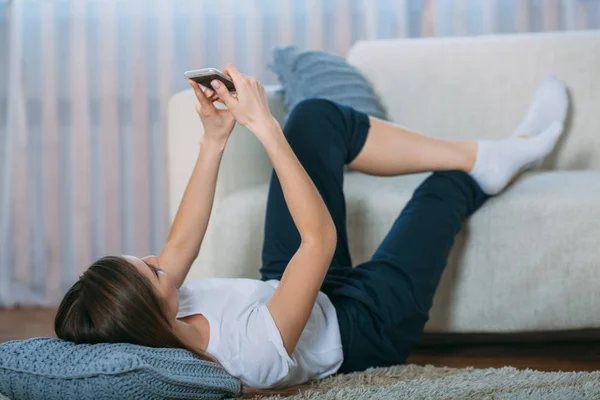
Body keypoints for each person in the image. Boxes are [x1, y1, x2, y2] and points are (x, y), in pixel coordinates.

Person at [54, 64, 568, 398]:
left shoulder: (163, 316)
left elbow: (182, 243)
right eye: (150, 270)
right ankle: (499, 155)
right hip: (366, 324)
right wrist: (264, 130)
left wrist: (214, 140)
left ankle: (483, 152)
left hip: (291, 290)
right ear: (155, 309)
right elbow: (317, 240)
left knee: (314, 119)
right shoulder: (245, 354)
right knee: (445, 189)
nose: (158, 260)